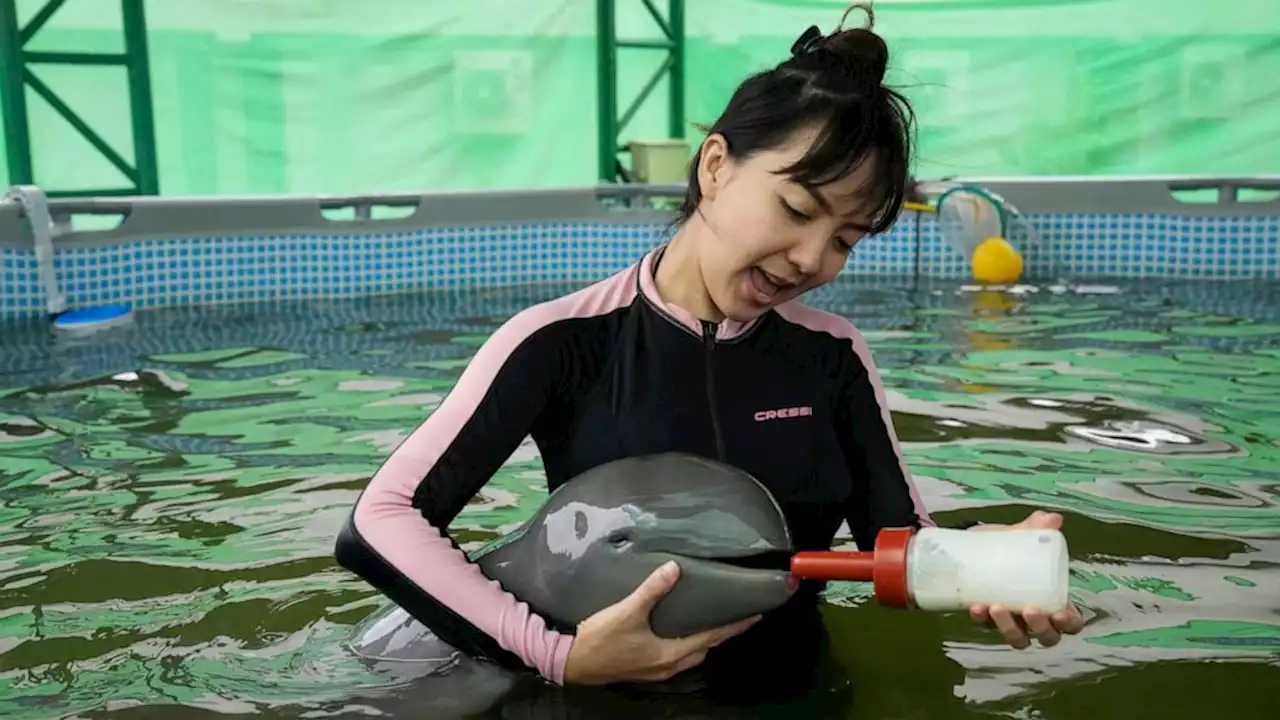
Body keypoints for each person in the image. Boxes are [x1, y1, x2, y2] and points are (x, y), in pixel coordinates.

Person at [333, 2, 1084, 702]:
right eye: (796, 209)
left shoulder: (831, 356)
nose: (809, 259)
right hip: (612, 700)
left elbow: (897, 542)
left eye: (846, 240)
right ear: (716, 165)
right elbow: (384, 520)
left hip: (793, 693)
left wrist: (981, 564)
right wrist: (555, 655)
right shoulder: (564, 340)